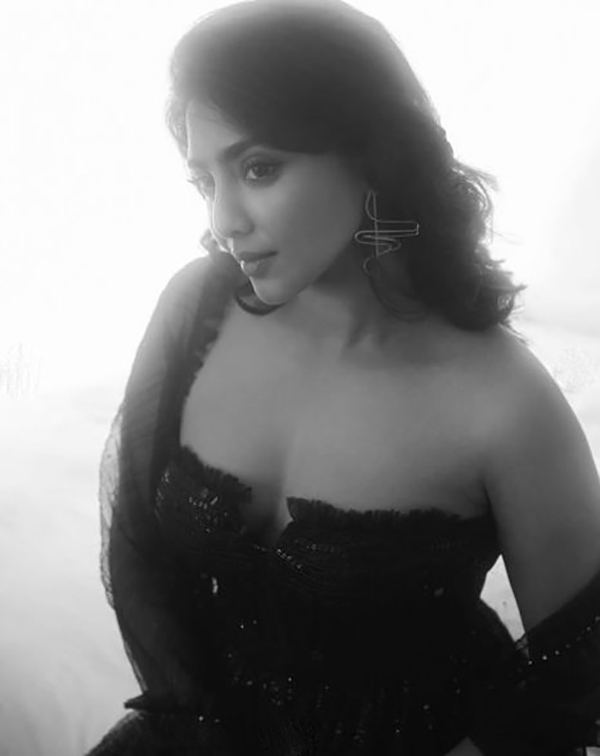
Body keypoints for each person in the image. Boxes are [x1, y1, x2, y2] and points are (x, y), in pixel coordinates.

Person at [85, 1, 600, 754]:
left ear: (371, 153)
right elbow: (139, 549)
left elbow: (572, 677)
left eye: (259, 168)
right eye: (204, 180)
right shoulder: (196, 308)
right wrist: (194, 722)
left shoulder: (505, 404)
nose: (225, 219)